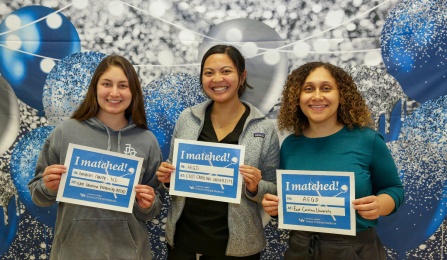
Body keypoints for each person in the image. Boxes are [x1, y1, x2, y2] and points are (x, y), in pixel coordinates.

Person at [262, 62, 404, 259]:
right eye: (308, 89)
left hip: (355, 250)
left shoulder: (367, 140)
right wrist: (276, 208)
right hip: (300, 249)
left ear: (341, 95)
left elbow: (394, 189)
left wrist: (379, 204)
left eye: (326, 88)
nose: (317, 96)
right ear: (297, 97)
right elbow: (289, 201)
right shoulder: (289, 145)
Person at [28, 55, 163, 260]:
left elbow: (153, 207)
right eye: (107, 84)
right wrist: (48, 187)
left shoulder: (147, 140)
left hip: (130, 253)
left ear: (133, 91)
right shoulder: (65, 132)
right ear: (95, 88)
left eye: (123, 85)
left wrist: (147, 204)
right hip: (72, 253)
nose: (114, 93)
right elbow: (38, 195)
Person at [156, 44, 280, 259]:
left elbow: (274, 190)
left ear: (242, 76)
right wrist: (167, 178)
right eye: (208, 73)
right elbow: (173, 176)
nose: (217, 79)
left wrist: (255, 186)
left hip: (237, 249)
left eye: (226, 71)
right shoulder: (187, 118)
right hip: (184, 243)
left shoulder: (263, 127)